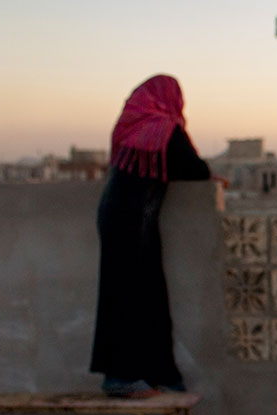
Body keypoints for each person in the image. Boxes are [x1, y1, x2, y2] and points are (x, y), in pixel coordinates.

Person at [89, 74, 210, 397]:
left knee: (145, 293)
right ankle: (120, 378)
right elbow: (194, 169)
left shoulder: (133, 128)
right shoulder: (164, 131)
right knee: (131, 295)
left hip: (122, 216)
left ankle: (161, 373)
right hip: (132, 219)